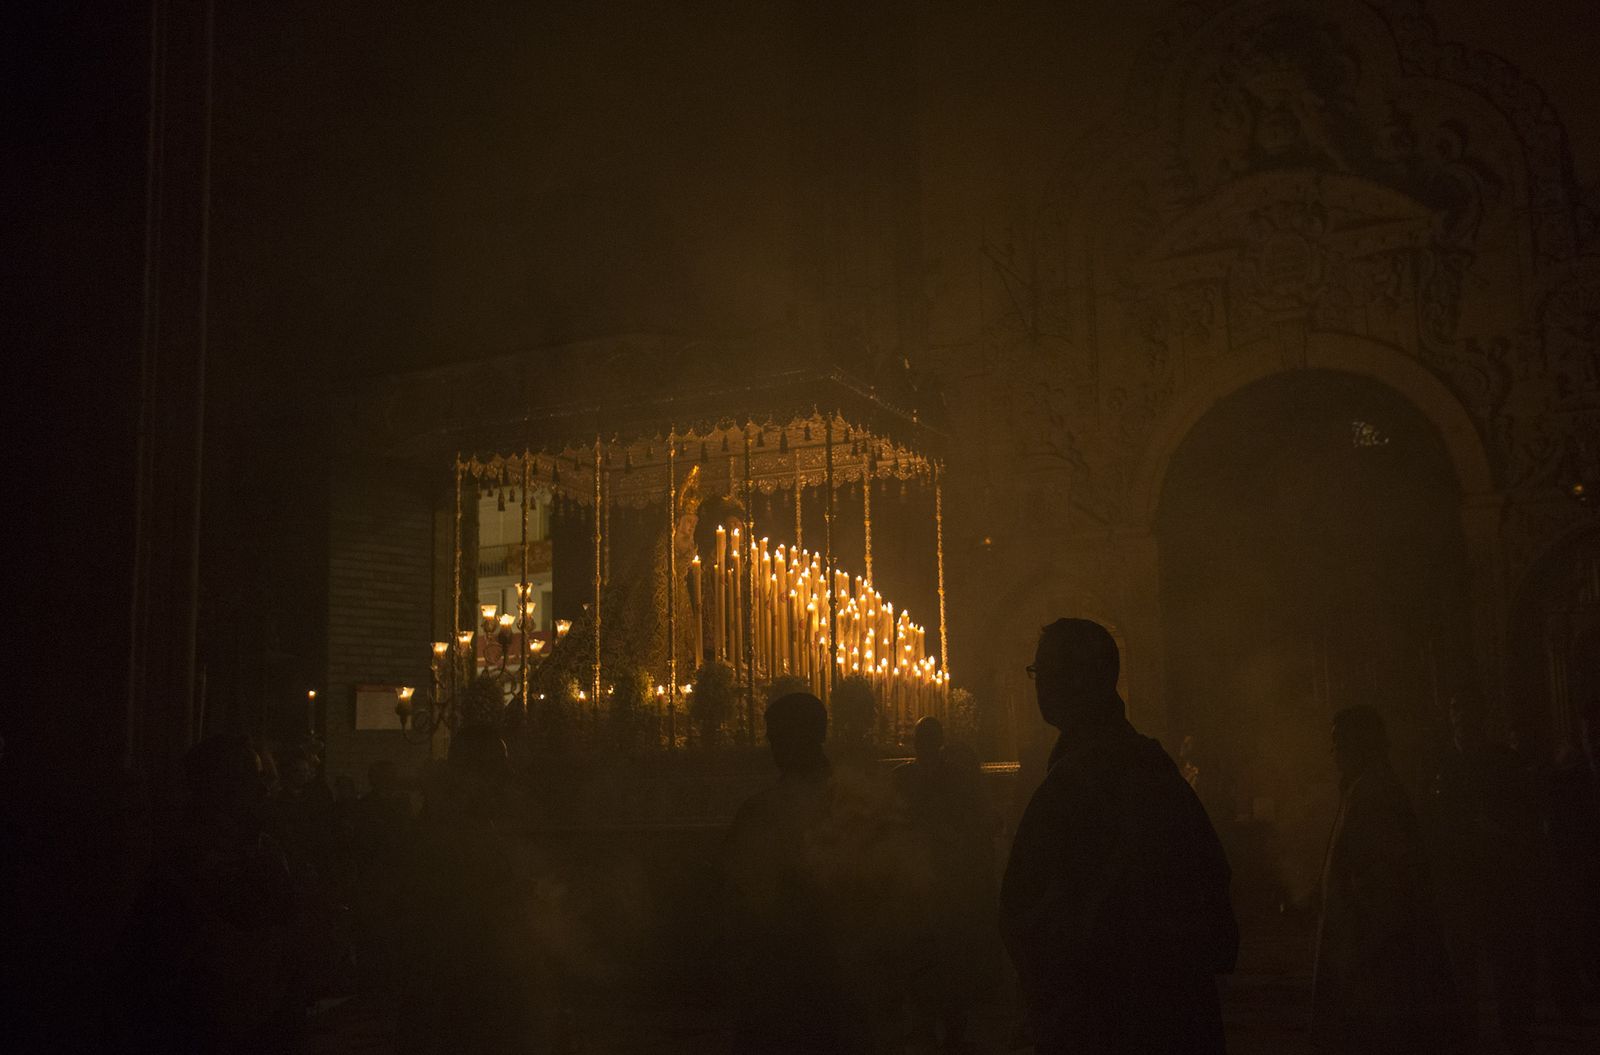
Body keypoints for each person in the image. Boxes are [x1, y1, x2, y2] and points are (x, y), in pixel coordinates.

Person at [1001, 618, 1237, 1055]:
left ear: (1079, 677)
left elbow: (1042, 916)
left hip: (1109, 1022)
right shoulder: (1150, 768)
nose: (1039, 683)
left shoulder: (1083, 780)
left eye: (1045, 669)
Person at [723, 692, 866, 1054]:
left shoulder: (845, 805)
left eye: (777, 736)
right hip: (804, 977)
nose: (771, 746)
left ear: (802, 736)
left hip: (812, 976)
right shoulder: (855, 802)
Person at [1312, 705, 1460, 1054]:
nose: (1334, 753)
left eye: (1339, 743)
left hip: (1377, 963)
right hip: (1374, 954)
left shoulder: (1372, 794)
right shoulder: (1364, 789)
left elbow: (1384, 883)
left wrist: (1360, 948)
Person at [1429, 694, 1540, 1051]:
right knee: (1463, 977)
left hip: (1499, 884)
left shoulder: (1503, 763)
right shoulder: (1443, 765)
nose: (1460, 722)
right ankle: (1468, 1037)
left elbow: (1522, 822)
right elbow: (1437, 826)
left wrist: (1492, 827)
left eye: (1466, 715)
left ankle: (1515, 1037)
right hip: (1461, 886)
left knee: (1509, 972)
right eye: (1455, 714)